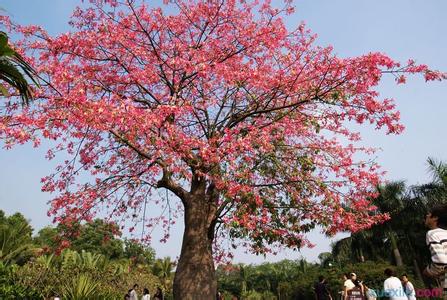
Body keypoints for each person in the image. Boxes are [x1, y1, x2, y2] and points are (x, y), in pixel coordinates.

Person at [423, 204, 447, 297]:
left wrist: (428, 271)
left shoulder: (433, 233)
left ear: (435, 218)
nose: (426, 215)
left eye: (429, 214)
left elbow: (441, 262)